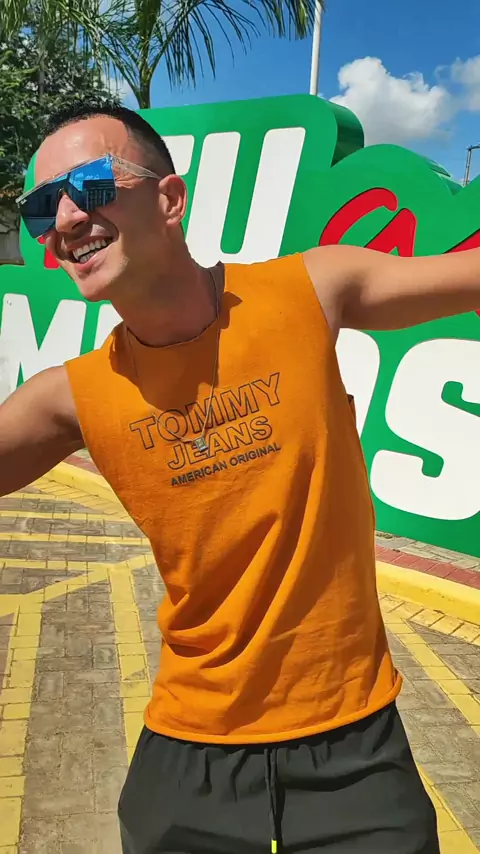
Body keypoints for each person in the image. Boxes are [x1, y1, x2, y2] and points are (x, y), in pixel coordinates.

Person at [4, 102, 479, 854]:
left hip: (356, 750)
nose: (64, 218)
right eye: (41, 207)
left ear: (170, 199)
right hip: (185, 759)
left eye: (89, 185)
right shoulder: (71, 397)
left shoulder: (312, 290)